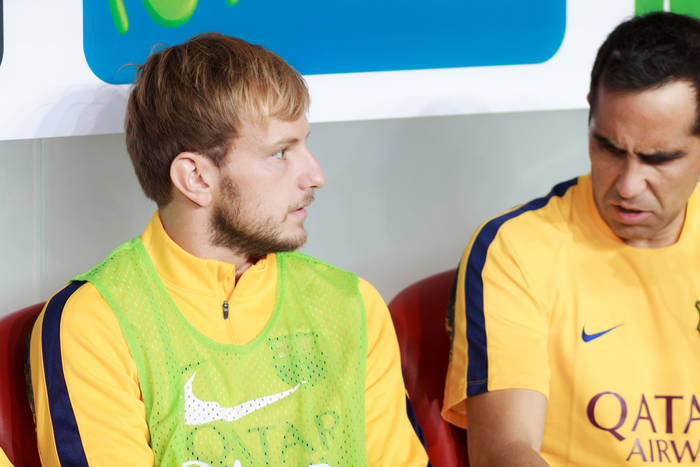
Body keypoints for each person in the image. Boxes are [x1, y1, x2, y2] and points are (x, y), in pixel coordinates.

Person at [28, 33, 428, 466]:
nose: (315, 175)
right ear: (196, 178)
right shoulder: (95, 323)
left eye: (305, 144)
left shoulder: (353, 305)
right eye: (281, 153)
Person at [442, 11, 700, 466]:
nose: (628, 185)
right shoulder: (516, 248)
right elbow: (504, 450)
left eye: (659, 159)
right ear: (590, 115)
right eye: (609, 148)